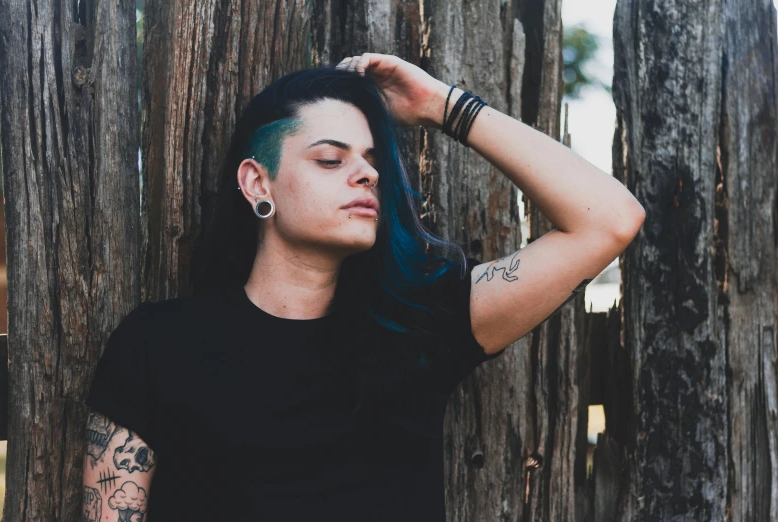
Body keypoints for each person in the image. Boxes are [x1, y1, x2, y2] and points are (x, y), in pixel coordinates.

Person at [81, 53, 645, 521]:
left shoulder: (422, 326)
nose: (367, 173)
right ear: (258, 181)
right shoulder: (158, 345)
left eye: (373, 160)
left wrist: (440, 106)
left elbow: (610, 220)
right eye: (330, 159)